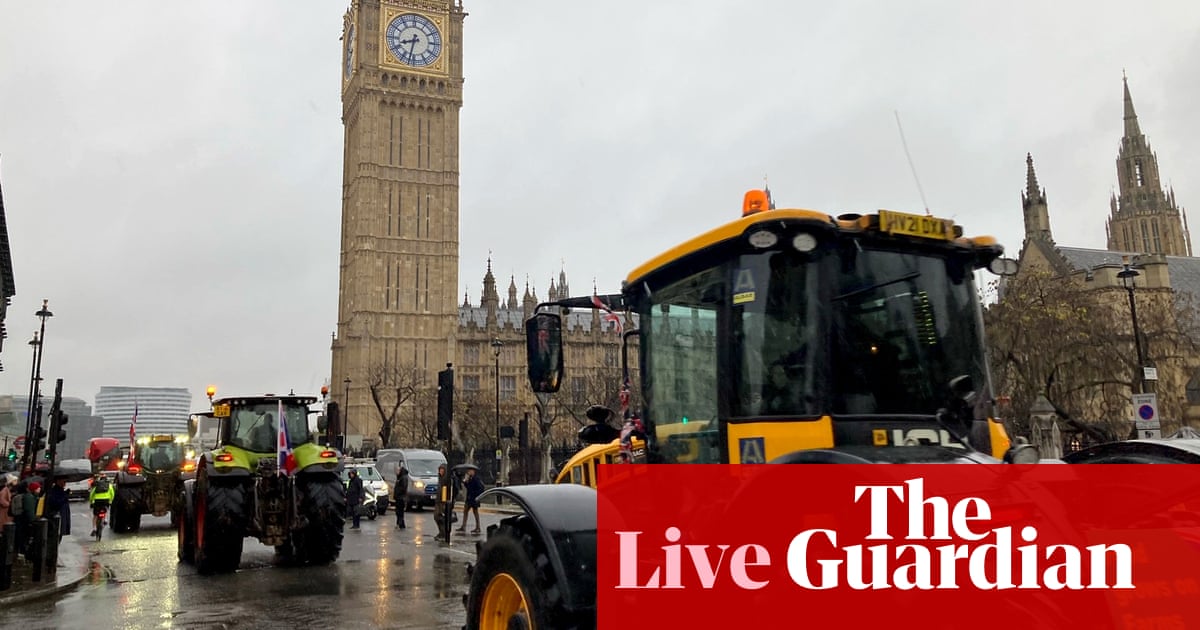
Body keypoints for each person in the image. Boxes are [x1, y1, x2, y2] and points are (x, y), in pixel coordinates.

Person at [457, 468, 484, 535]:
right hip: (469, 498)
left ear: (473, 472)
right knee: (465, 511)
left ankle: (478, 527)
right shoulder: (470, 478)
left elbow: (481, 488)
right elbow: (468, 487)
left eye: (469, 471)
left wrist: (476, 495)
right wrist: (465, 482)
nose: (468, 472)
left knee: (475, 513)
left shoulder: (476, 479)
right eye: (468, 471)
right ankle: (463, 526)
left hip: (474, 499)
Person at [89, 473, 115, 537]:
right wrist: (110, 501)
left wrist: (91, 502)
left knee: (95, 515)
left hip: (97, 501)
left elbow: (92, 494)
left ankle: (94, 529)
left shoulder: (97, 485)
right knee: (105, 509)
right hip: (106, 500)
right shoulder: (109, 485)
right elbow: (112, 494)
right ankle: (105, 519)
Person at [434, 463, 450, 542]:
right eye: (440, 469)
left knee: (440, 517)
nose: (441, 471)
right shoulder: (440, 478)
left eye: (442, 470)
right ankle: (441, 532)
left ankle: (443, 533)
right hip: (438, 501)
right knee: (437, 517)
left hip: (443, 501)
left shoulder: (446, 479)